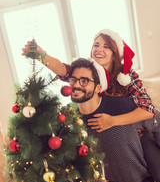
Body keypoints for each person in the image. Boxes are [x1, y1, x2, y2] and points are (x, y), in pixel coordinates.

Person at [68, 57, 160, 182]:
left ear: (98, 87)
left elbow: (156, 119)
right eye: (73, 80)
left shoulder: (124, 106)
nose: (76, 85)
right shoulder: (71, 119)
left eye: (84, 81)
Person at [22, 29, 155, 131]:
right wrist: (42, 55)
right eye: (96, 45)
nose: (99, 49)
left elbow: (148, 110)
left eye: (106, 46)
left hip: (136, 135)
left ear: (115, 53)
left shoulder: (127, 75)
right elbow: (64, 70)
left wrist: (112, 121)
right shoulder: (86, 73)